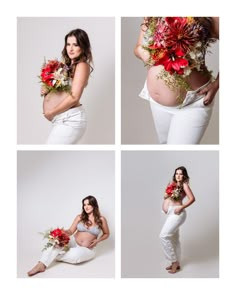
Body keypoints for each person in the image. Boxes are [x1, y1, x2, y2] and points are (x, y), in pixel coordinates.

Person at [134, 17, 219, 144]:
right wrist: (144, 53)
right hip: (156, 104)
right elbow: (138, 47)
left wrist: (217, 83)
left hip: (191, 105)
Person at [27, 196, 110, 276]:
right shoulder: (80, 217)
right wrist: (62, 232)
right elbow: (70, 231)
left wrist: (97, 240)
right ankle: (41, 264)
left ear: (94, 205)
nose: (86, 207)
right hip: (74, 241)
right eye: (84, 205)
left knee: (75, 256)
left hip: (88, 248)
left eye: (89, 204)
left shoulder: (101, 219)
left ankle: (54, 255)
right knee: (56, 240)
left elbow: (106, 234)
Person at [42, 28, 93, 144]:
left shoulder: (82, 65)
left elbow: (74, 97)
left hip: (70, 119)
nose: (70, 48)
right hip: (63, 118)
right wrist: (48, 88)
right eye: (68, 44)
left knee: (51, 153)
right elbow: (63, 92)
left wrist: (51, 112)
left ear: (83, 47)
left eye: (75, 45)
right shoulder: (68, 67)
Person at [159, 166, 195, 274]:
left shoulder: (184, 185)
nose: (178, 175)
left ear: (184, 175)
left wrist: (181, 207)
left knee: (163, 236)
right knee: (174, 239)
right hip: (170, 213)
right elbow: (169, 198)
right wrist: (166, 197)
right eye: (176, 173)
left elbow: (192, 198)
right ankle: (177, 263)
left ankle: (174, 261)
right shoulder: (173, 185)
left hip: (178, 213)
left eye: (180, 174)